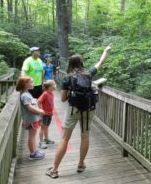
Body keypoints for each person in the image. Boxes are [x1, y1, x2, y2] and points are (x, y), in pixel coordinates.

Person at [46, 45, 111, 179]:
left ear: (70, 64)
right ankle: (81, 164)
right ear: (81, 63)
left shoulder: (67, 78)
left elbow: (63, 99)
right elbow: (100, 62)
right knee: (85, 136)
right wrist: (105, 51)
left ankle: (55, 170)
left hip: (73, 109)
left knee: (65, 138)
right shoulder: (88, 73)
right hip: (88, 109)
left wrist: (72, 92)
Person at [16, 76, 46, 160]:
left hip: (33, 119)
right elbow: (29, 108)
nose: (33, 84)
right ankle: (33, 154)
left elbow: (30, 103)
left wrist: (35, 100)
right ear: (25, 84)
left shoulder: (26, 93)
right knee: (32, 136)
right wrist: (40, 111)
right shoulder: (25, 95)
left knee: (33, 136)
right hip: (31, 119)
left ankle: (35, 151)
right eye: (31, 82)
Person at [38, 80, 56, 149]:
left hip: (50, 113)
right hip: (45, 114)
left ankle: (46, 139)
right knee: (42, 128)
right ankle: (41, 143)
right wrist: (41, 110)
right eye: (53, 85)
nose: (55, 86)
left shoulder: (52, 93)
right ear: (49, 87)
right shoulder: (45, 93)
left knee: (46, 127)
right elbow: (39, 101)